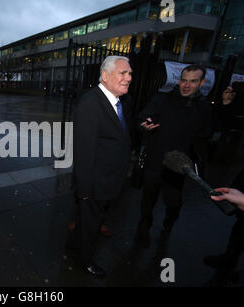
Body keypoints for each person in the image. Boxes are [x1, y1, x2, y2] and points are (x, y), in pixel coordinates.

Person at [136, 64, 212, 247]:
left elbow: (207, 135)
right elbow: (144, 115)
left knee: (174, 203)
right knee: (148, 201)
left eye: (193, 81)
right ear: (179, 81)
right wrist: (146, 122)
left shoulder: (204, 107)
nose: (186, 85)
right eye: (184, 80)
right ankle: (143, 231)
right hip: (155, 160)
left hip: (179, 166)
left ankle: (169, 223)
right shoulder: (163, 99)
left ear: (201, 83)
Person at [71, 55, 133, 277]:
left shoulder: (116, 101)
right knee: (90, 226)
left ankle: (76, 248)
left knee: (89, 224)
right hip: (95, 183)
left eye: (130, 73)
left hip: (108, 180)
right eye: (123, 73)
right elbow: (83, 152)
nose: (128, 78)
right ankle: (84, 261)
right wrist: (85, 191)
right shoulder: (91, 103)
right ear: (105, 76)